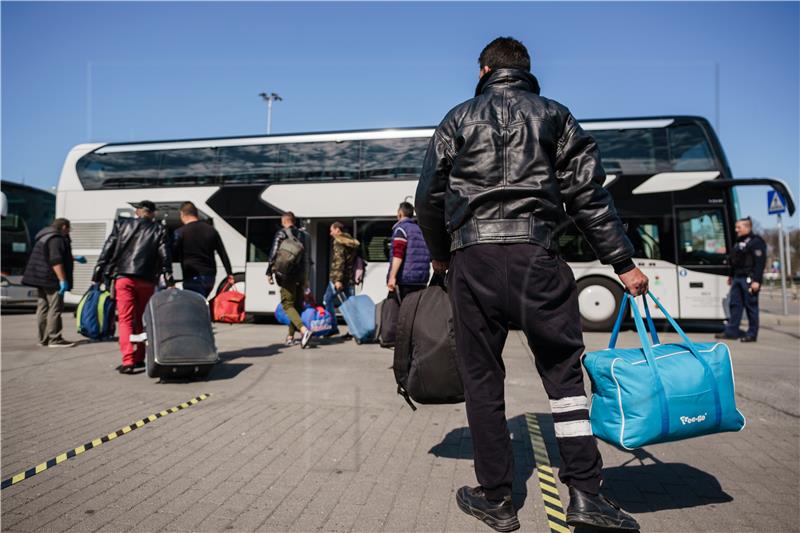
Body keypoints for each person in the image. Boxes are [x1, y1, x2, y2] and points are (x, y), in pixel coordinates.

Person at [415, 37, 649, 532]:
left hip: (471, 259)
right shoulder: (556, 115)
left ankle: (496, 498)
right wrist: (622, 263)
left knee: (481, 379)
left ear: (483, 70)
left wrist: (440, 256)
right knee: (564, 378)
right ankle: (586, 495)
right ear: (525, 70)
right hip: (538, 256)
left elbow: (429, 196)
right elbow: (587, 195)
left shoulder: (457, 118)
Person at [92, 201, 173, 374]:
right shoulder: (159, 229)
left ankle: (128, 360)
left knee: (125, 319)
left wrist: (97, 274)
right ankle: (140, 358)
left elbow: (107, 249)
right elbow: (165, 256)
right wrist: (169, 279)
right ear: (152, 213)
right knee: (142, 319)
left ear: (137, 212)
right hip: (146, 279)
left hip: (124, 277)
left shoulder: (122, 225)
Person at [22, 218, 86, 348]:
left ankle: (43, 339)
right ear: (63, 227)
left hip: (39, 277)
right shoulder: (56, 239)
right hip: (50, 278)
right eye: (68, 229)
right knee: (55, 308)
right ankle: (54, 339)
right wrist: (62, 280)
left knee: (43, 307)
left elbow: (51, 254)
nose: (69, 232)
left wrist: (73, 258)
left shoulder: (45, 236)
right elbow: (55, 260)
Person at [716, 217, 766, 342]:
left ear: (747, 227)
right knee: (735, 305)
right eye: (736, 227)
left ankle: (752, 334)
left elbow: (760, 263)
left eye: (739, 227)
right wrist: (731, 276)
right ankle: (732, 331)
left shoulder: (756, 242)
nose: (736, 229)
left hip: (749, 279)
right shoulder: (739, 242)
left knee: (751, 306)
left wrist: (757, 281)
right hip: (738, 278)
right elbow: (735, 261)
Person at [267, 212, 313, 348]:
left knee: (287, 304)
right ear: (293, 221)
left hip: (286, 275)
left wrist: (269, 272)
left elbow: (274, 253)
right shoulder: (305, 236)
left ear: (284, 221)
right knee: (297, 306)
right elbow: (307, 258)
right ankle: (290, 336)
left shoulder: (281, 233)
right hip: (301, 274)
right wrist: (306, 278)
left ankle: (304, 331)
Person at [172, 201, 233, 298]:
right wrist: (229, 273)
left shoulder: (180, 232)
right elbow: (222, 253)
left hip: (191, 276)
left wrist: (175, 279)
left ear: (182, 214)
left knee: (193, 305)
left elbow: (174, 256)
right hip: (210, 277)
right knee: (202, 301)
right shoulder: (211, 230)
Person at [386, 202, 431, 299]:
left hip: (405, 280)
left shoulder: (401, 229)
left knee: (402, 311)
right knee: (416, 311)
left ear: (400, 213)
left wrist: (392, 276)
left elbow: (398, 254)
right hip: (421, 280)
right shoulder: (420, 230)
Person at [323, 222, 360, 337]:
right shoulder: (351, 242)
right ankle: (353, 330)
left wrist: (338, 280)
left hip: (338, 279)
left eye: (332, 230)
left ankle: (333, 327)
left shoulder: (338, 242)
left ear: (337, 230)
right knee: (349, 304)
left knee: (327, 300)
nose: (330, 233)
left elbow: (339, 262)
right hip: (349, 278)